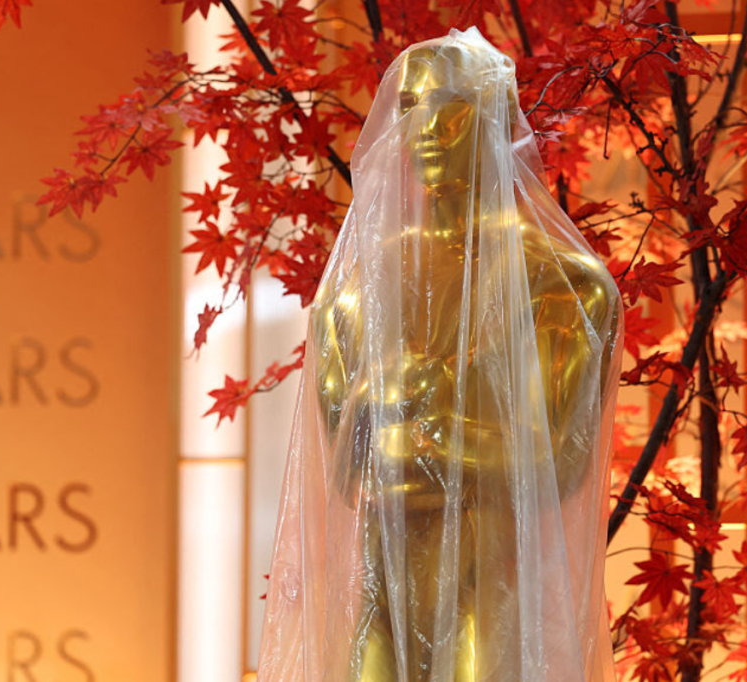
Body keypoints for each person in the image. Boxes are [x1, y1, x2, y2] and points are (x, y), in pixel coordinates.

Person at [258, 27, 623, 682]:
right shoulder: (357, 292)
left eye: (443, 104)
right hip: (381, 577)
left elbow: (563, 468)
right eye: (408, 107)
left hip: (488, 582)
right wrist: (385, 410)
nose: (422, 126)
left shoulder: (564, 286)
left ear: (488, 114)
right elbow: (343, 473)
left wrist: (430, 441)